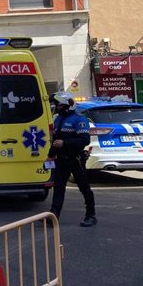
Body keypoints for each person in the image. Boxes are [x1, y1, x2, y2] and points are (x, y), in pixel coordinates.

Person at [47, 92, 97, 227]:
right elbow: (55, 140)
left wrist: (65, 143)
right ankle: (54, 215)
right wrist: (50, 155)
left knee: (84, 188)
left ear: (69, 105)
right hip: (61, 160)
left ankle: (91, 215)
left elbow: (84, 140)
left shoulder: (79, 119)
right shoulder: (58, 119)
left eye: (60, 105)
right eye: (57, 105)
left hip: (75, 159)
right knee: (58, 188)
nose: (57, 107)